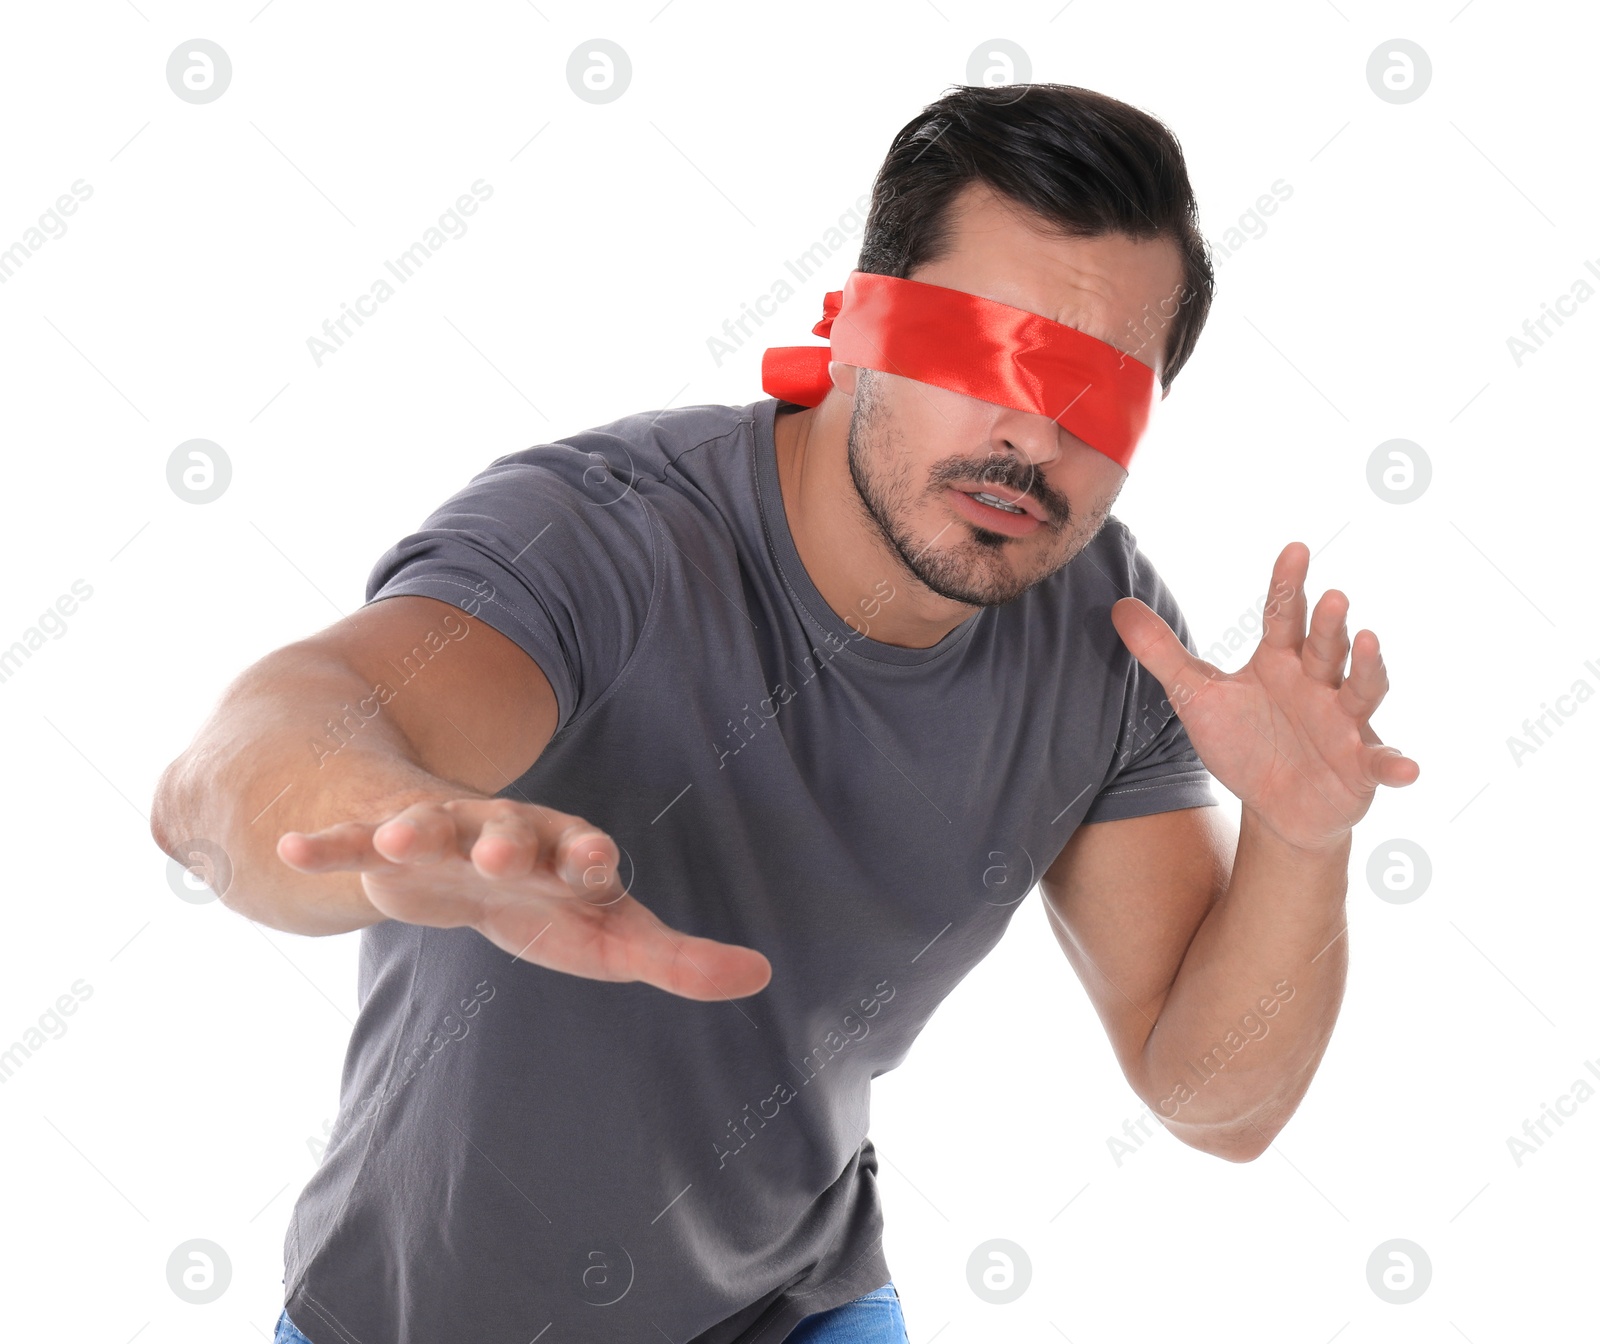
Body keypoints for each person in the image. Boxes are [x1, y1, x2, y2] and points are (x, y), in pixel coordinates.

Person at [150, 82, 1418, 1344]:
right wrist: (399, 833)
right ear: (859, 325)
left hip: (797, 1305)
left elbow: (1218, 1101)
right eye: (991, 352)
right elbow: (241, 769)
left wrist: (1302, 840)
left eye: (1100, 393)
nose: (1033, 433)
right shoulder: (605, 537)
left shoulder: (1111, 638)